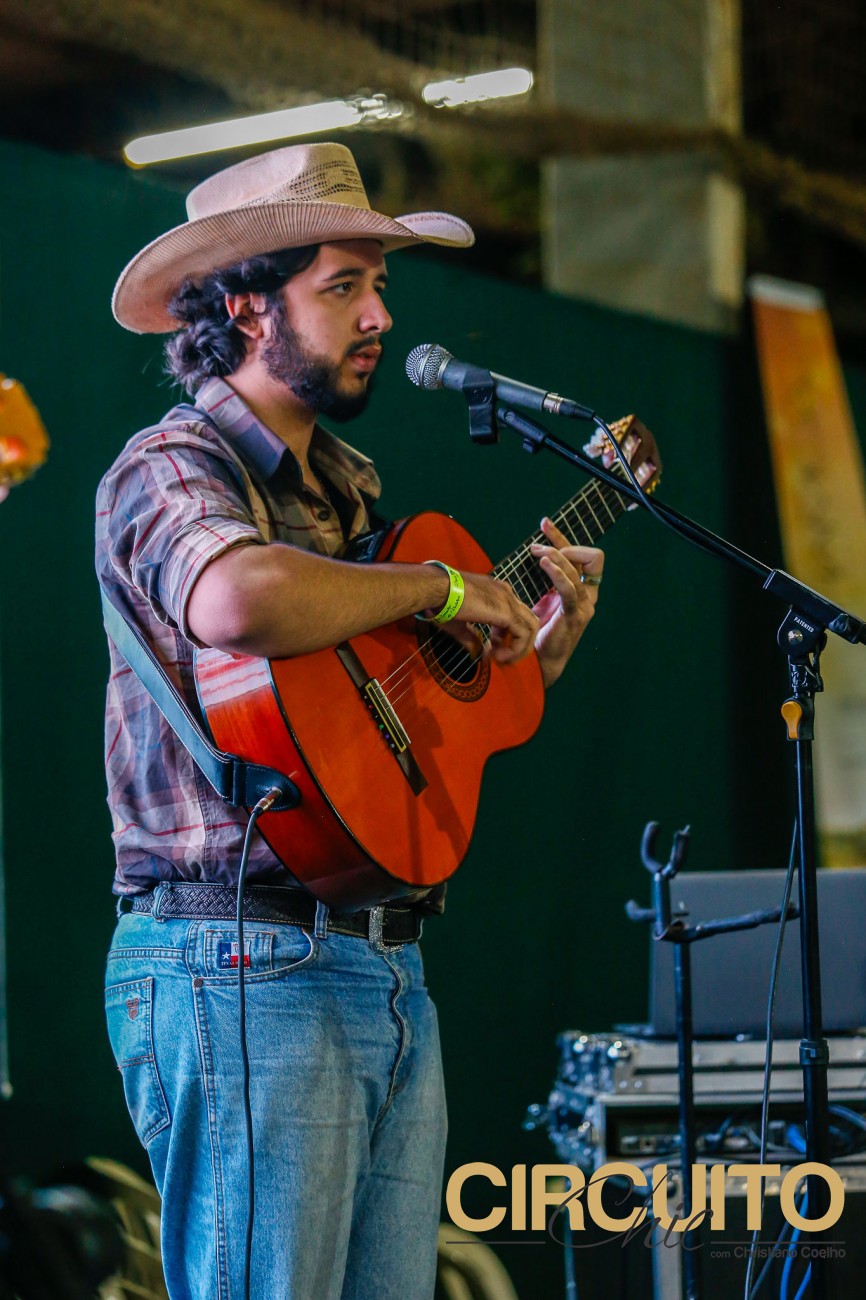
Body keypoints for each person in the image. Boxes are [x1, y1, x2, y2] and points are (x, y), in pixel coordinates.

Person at [96, 142, 656, 1300]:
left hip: (381, 958)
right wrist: (445, 588)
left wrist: (537, 648)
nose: (380, 318)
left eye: (380, 286)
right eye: (343, 286)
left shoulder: (346, 493)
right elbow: (236, 598)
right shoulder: (170, 463)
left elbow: (378, 733)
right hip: (237, 959)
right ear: (247, 306)